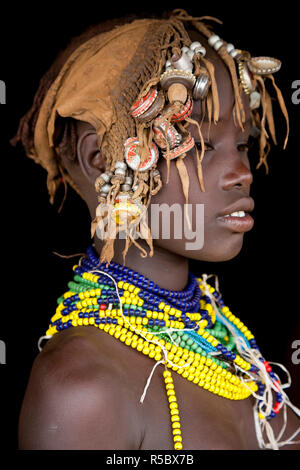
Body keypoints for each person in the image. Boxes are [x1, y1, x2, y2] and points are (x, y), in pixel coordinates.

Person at [12, 9, 300, 450]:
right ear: (103, 159)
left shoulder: (232, 348)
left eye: (243, 144)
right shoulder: (83, 389)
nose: (242, 172)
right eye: (200, 144)